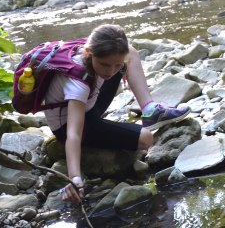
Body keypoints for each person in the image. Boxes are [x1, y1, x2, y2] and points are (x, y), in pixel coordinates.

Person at [46, 24, 189, 203]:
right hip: (68, 124)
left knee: (130, 51)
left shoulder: (106, 65)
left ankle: (150, 109)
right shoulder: (79, 82)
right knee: (145, 138)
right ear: (89, 52)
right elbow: (73, 134)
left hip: (89, 103)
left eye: (117, 66)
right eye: (105, 65)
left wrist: (116, 65)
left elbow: (116, 61)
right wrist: (74, 177)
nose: (111, 71)